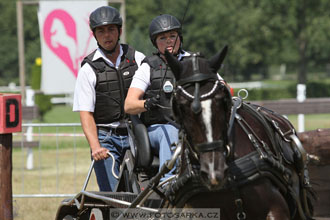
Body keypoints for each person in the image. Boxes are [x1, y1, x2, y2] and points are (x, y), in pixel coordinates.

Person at [73, 6, 145, 191]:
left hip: (136, 132)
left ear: (119, 31)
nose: (107, 35)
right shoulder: (88, 69)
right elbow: (86, 113)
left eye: (111, 29)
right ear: (95, 35)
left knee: (145, 193)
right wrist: (95, 146)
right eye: (101, 31)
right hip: (105, 138)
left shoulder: (137, 58)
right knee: (113, 198)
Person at [124, 14, 192, 182]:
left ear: (180, 38)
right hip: (158, 129)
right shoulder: (148, 67)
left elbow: (223, 87)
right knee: (170, 130)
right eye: (163, 37)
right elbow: (129, 105)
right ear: (155, 42)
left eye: (172, 36)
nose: (169, 41)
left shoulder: (194, 61)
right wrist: (148, 103)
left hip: (193, 127)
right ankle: (168, 182)